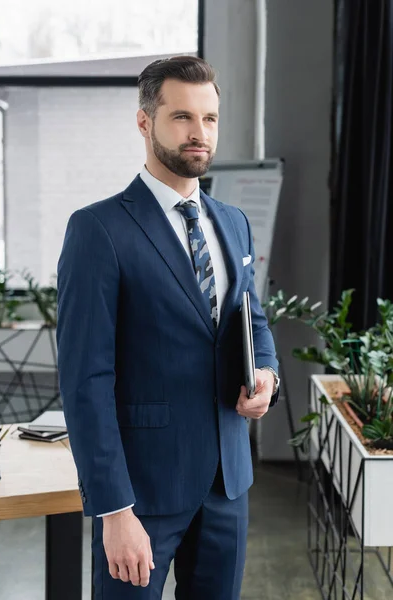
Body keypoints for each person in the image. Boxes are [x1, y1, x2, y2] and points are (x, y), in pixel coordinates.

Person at [56, 55, 279, 600]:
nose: (199, 134)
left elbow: (251, 317)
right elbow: (85, 382)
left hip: (228, 484)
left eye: (210, 119)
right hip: (141, 495)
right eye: (181, 117)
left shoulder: (234, 222)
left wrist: (266, 373)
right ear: (144, 121)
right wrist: (113, 510)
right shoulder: (97, 229)